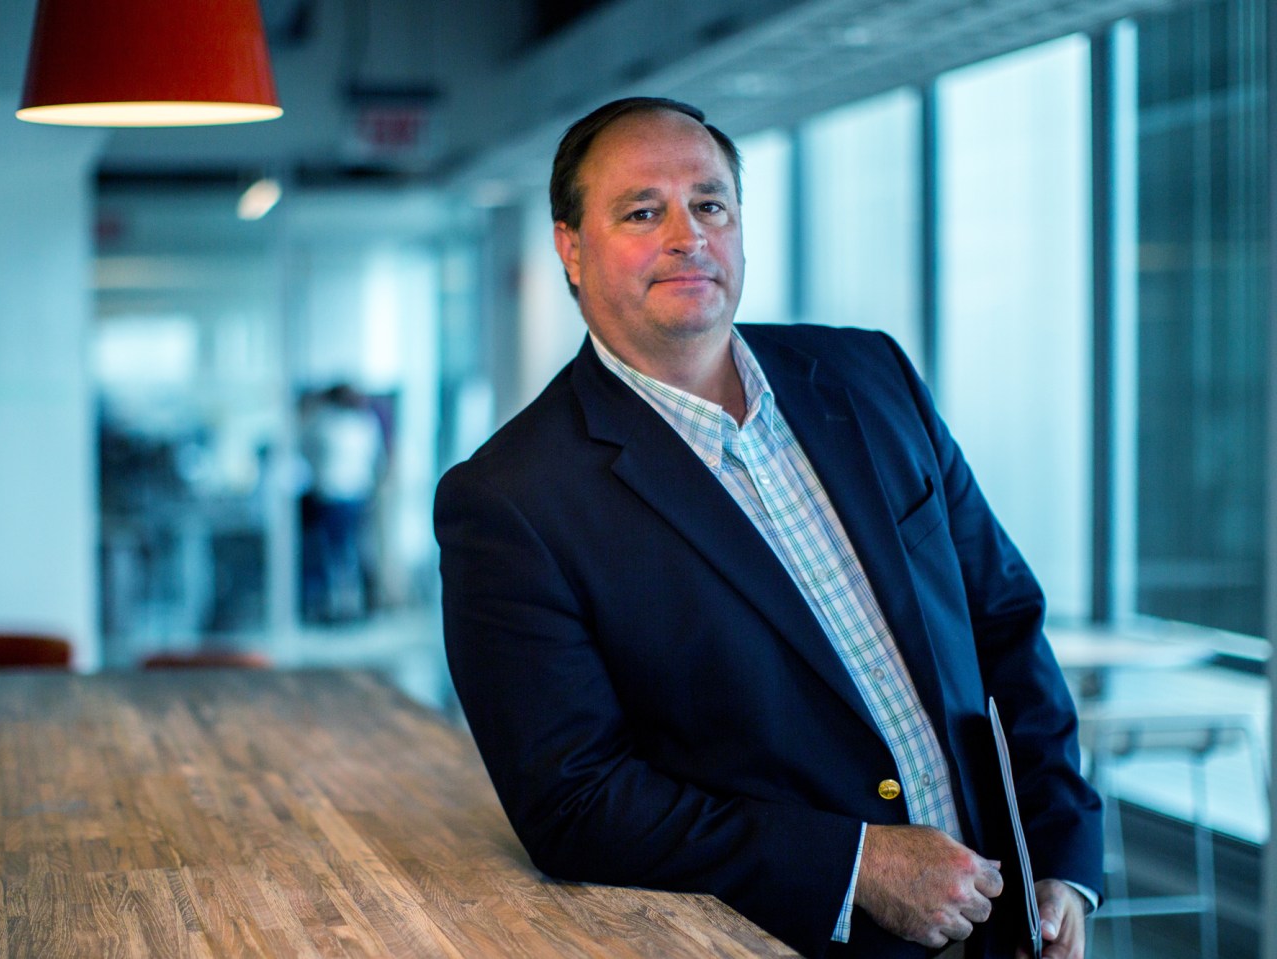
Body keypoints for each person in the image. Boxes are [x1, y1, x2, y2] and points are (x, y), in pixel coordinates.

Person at [434, 97, 1102, 958]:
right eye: (643, 211)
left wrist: (1060, 859)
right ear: (570, 245)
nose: (688, 235)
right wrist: (854, 864)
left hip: (1007, 923)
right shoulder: (510, 499)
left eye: (710, 205)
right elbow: (577, 801)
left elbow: (1004, 622)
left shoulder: (872, 374)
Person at [298, 384, 385, 622]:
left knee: (334, 553)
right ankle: (352, 606)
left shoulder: (323, 423)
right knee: (353, 552)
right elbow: (377, 458)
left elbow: (303, 447)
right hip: (358, 495)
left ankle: (338, 607)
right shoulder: (366, 424)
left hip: (332, 496)